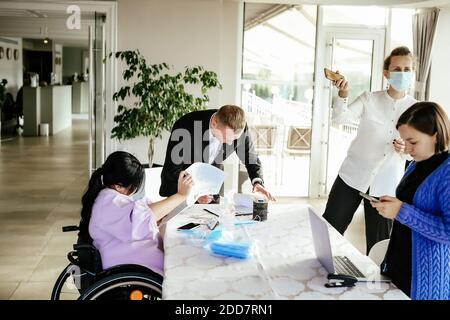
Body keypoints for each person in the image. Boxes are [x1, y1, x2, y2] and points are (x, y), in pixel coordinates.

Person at [322, 46, 417, 254]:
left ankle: (376, 284)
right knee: (329, 232)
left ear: (412, 72)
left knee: (379, 247)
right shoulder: (369, 99)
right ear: (386, 73)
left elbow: (419, 149)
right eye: (397, 69)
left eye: (407, 69)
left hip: (386, 186)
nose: (402, 73)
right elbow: (340, 119)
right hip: (351, 177)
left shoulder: (417, 109)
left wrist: (406, 149)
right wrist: (343, 94)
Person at [371, 102, 450, 300]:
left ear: (436, 136)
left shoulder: (447, 172)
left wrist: (401, 211)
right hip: (398, 266)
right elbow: (413, 204)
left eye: (413, 142)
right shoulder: (416, 164)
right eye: (405, 141)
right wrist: (393, 204)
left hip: (426, 280)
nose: (406, 148)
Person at [78, 151, 193, 276]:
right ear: (118, 186)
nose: (133, 192)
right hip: (129, 264)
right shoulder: (109, 201)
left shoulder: (108, 198)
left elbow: (139, 213)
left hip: (129, 258)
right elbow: (141, 217)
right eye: (133, 188)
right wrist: (181, 195)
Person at [159, 105, 275, 203]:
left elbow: (251, 158)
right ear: (215, 123)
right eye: (226, 138)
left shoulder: (239, 128)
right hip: (179, 191)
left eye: (234, 139)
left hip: (212, 190)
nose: (230, 143)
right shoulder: (185, 126)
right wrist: (195, 193)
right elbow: (173, 170)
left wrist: (257, 182)